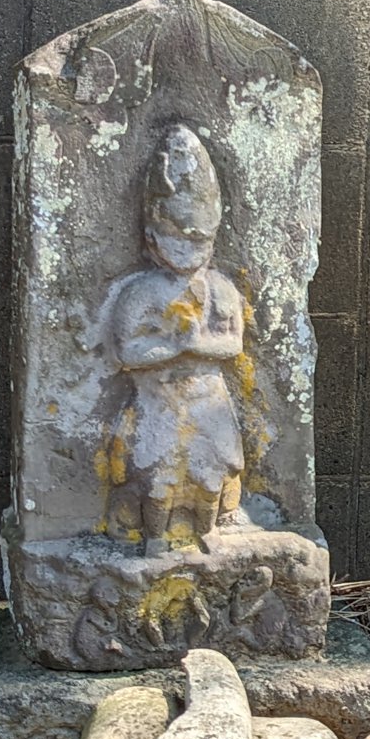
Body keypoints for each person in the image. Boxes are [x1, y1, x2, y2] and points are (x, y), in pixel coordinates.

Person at [95, 122, 250, 548]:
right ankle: (154, 539)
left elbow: (233, 344)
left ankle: (209, 531)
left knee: (210, 470)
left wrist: (196, 344)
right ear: (151, 236)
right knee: (156, 472)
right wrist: (174, 347)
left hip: (208, 400)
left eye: (200, 241)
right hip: (157, 400)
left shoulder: (220, 289)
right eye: (176, 239)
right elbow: (126, 351)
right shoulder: (142, 292)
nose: (188, 252)